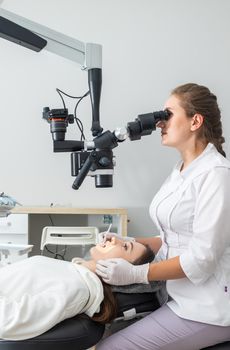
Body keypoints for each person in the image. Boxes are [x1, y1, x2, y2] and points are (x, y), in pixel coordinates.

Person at [96, 83, 230, 350]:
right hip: (178, 297)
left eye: (168, 114)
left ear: (195, 121)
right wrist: (128, 241)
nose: (159, 123)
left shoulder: (217, 174)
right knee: (104, 333)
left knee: (109, 348)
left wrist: (138, 273)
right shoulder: (181, 169)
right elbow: (172, 237)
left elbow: (201, 258)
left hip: (208, 308)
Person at [0, 237, 154, 341]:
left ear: (122, 270)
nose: (113, 238)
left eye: (125, 246)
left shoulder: (77, 288)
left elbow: (7, 321)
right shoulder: (73, 271)